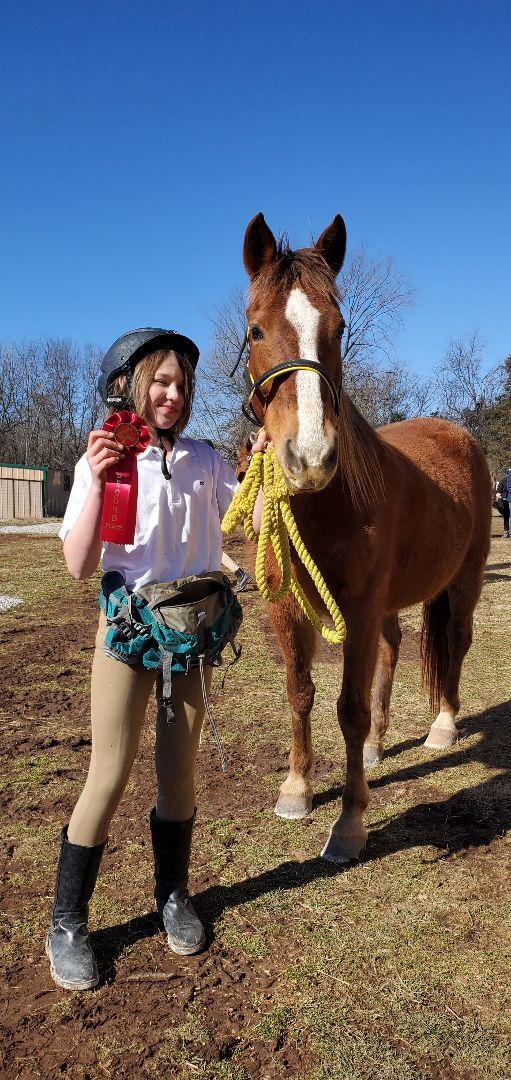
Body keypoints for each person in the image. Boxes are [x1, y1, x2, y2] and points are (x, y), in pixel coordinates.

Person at [46, 327, 244, 991]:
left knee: (179, 778)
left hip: (189, 638)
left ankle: (172, 897)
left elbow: (236, 521)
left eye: (182, 384)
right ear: (128, 387)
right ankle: (68, 921)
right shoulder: (104, 462)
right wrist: (99, 481)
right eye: (161, 381)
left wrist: (261, 469)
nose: (174, 393)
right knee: (107, 776)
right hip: (127, 637)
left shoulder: (205, 460)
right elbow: (77, 565)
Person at [495, 470, 510, 538]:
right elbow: (498, 493)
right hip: (505, 501)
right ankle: (506, 532)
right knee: (506, 517)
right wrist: (500, 497)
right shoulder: (502, 481)